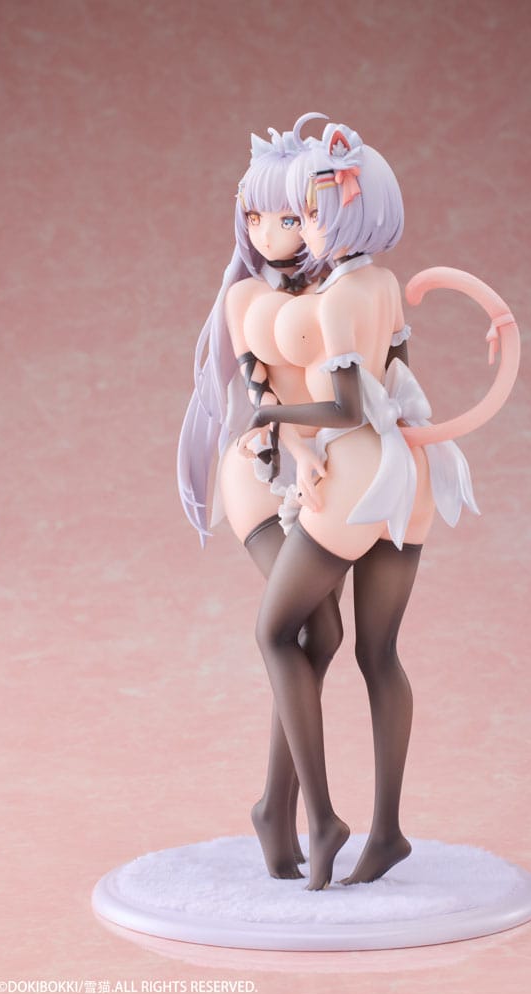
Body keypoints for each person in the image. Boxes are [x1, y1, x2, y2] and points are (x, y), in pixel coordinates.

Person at [237, 116, 484, 889]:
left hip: (358, 473)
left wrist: (273, 416)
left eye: (312, 213)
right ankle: (387, 833)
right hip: (408, 470)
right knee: (378, 654)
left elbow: (346, 407)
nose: (303, 226)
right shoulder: (380, 285)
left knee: (276, 631)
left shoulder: (342, 295)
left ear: (347, 215)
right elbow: (396, 372)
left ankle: (322, 818)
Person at [177, 120, 342, 880]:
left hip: (321, 476)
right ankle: (313, 815)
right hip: (263, 472)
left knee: (322, 636)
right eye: (255, 215)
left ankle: (275, 809)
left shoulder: (337, 290)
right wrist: (303, 454)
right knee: (309, 626)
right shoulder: (247, 295)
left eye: (288, 215)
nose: (267, 231)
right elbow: (263, 398)